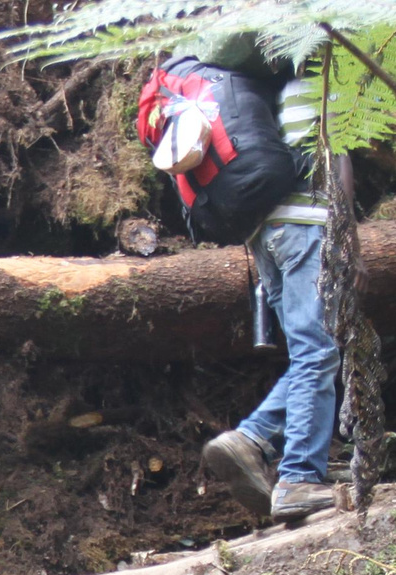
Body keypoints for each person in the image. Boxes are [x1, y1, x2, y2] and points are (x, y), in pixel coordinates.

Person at [142, 58, 336, 523]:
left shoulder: (264, 87)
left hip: (260, 232)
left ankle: (271, 444)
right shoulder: (321, 83)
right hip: (305, 226)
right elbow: (334, 157)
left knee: (315, 350)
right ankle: (294, 472)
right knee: (317, 349)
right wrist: (343, 228)